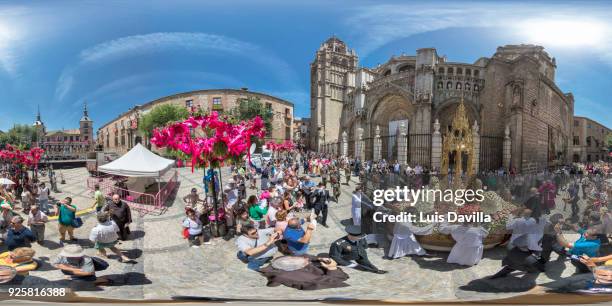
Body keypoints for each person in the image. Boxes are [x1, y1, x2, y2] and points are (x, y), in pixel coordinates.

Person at [489, 208, 546, 279]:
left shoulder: (517, 221)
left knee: (515, 259)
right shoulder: (538, 228)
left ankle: (510, 267)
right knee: (534, 264)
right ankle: (529, 267)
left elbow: (504, 227)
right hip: (523, 252)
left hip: (511, 249)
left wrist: (510, 215)